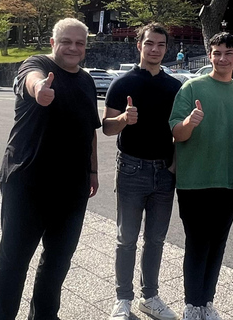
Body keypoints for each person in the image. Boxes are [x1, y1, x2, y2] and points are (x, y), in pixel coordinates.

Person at [0, 18, 101, 320]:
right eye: (66, 41)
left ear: (85, 47)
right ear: (53, 43)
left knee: (58, 261)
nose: (73, 48)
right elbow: (30, 78)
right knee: (13, 261)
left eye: (79, 43)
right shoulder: (37, 64)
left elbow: (90, 129)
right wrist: (39, 89)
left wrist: (93, 172)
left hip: (72, 187)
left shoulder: (87, 81)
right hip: (28, 181)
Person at [169, 33, 233, 320]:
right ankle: (192, 304)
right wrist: (190, 122)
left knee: (218, 243)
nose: (222, 58)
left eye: (228, 53)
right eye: (216, 53)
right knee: (197, 242)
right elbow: (176, 133)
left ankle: (207, 302)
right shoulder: (192, 87)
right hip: (194, 181)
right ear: (210, 55)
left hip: (230, 181)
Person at [103, 23, 182, 320]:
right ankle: (123, 299)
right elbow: (108, 128)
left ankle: (150, 297)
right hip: (131, 168)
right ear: (139, 45)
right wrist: (124, 118)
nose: (155, 49)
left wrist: (174, 162)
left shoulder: (175, 87)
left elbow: (179, 129)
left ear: (166, 48)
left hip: (164, 172)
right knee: (126, 238)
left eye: (161, 45)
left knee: (156, 240)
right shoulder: (122, 84)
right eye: (149, 43)